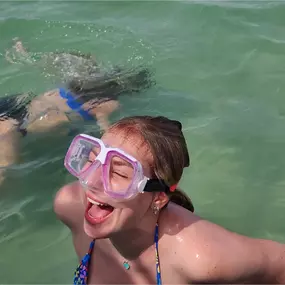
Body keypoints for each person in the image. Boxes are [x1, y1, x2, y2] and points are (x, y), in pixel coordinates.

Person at [54, 115, 285, 284]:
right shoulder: (70, 206)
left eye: (119, 173)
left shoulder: (200, 256)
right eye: (93, 160)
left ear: (160, 197)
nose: (91, 181)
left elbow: (279, 263)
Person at [0, 65, 154, 185]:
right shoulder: (109, 103)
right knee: (6, 168)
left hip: (15, 105)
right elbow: (107, 133)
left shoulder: (74, 83)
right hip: (17, 126)